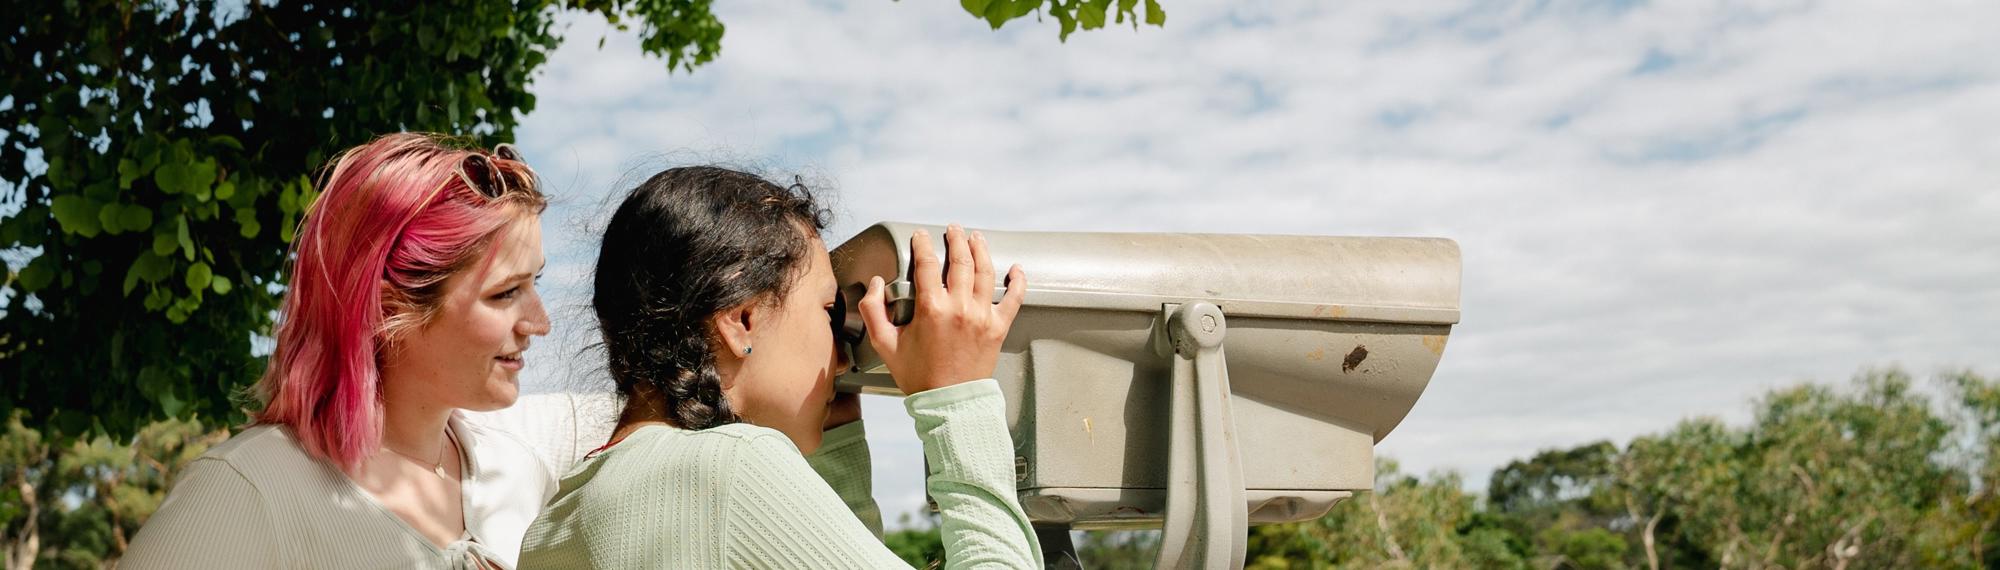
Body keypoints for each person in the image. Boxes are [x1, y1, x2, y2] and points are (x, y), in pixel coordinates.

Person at [519, 167, 1043, 568]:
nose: (840, 354)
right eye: (827, 311)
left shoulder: (555, 522)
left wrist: (838, 459)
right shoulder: (730, 468)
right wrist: (959, 396)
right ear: (742, 320)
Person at [124, 133, 557, 569]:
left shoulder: (519, 472)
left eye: (534, 282)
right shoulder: (244, 491)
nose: (540, 324)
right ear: (390, 307)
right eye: (505, 293)